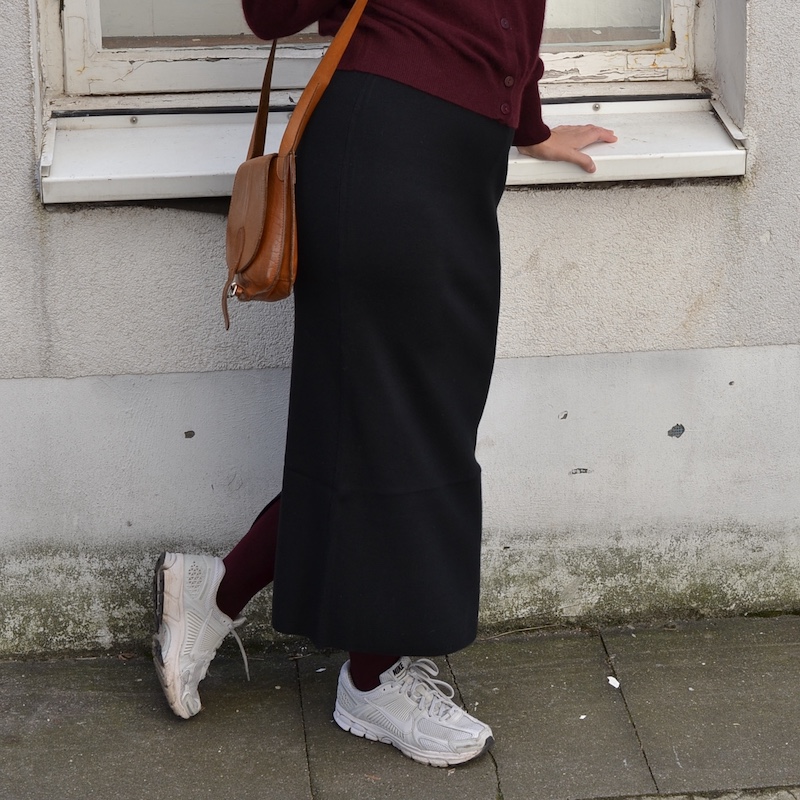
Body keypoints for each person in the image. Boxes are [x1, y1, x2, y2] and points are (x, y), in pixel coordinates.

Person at [152, 0, 616, 768]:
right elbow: (269, 13)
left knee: (408, 421)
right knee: (405, 425)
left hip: (461, 164)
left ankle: (219, 592)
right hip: (384, 146)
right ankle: (369, 680)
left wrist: (527, 122)